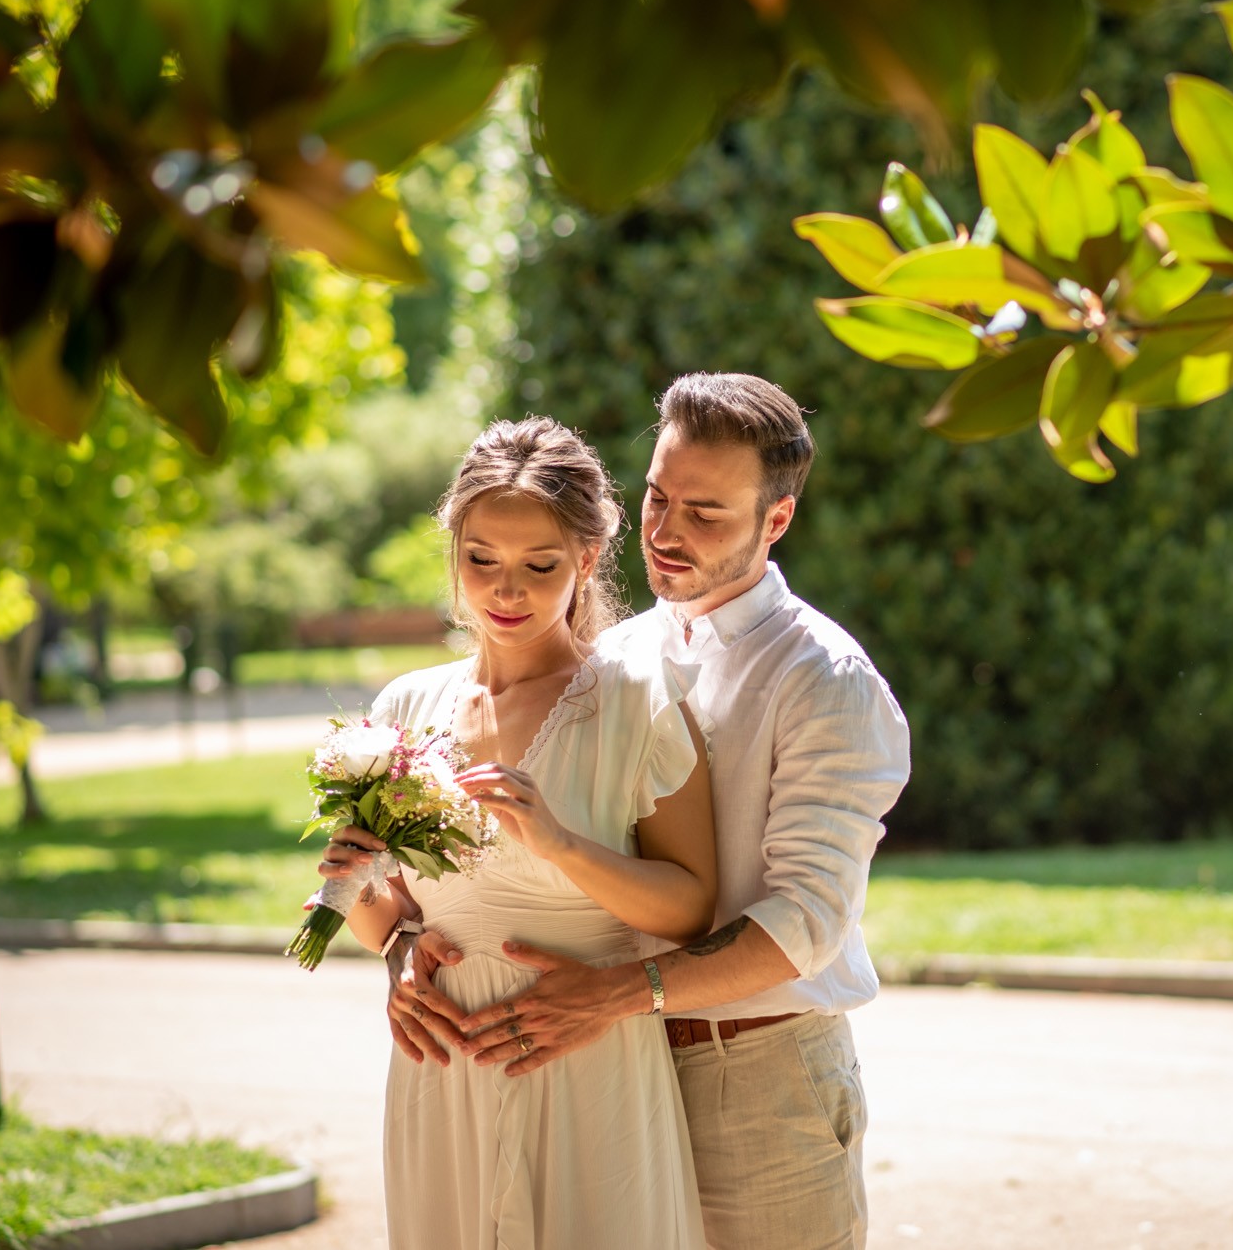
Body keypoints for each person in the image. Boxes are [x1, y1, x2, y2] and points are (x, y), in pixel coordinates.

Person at [387, 373, 912, 1250]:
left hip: (757, 1069)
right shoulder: (619, 657)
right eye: (660, 498)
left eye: (705, 513)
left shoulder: (825, 677)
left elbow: (808, 921)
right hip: (606, 1066)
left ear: (775, 520)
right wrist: (409, 949)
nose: (666, 533)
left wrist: (615, 998)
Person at [318, 417, 718, 1249]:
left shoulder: (636, 701)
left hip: (587, 1065)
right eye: (481, 561)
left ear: (585, 557)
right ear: (453, 549)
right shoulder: (404, 709)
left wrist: (560, 842)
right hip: (443, 1067)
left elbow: (690, 906)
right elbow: (394, 917)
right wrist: (381, 933)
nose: (507, 590)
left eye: (540, 565)